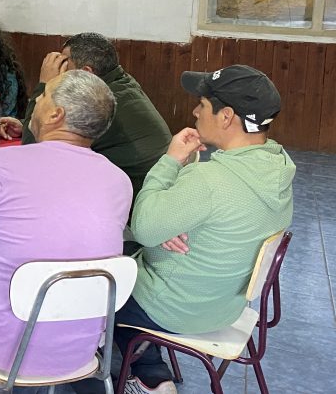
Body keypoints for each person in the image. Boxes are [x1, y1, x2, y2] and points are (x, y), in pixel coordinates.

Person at [0, 70, 131, 392]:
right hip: (80, 353)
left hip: (2, 348)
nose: (37, 100)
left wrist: (7, 276)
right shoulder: (120, 181)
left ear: (57, 114)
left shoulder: (0, 164)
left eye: (43, 95)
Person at [109, 66, 293, 394]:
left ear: (225, 116)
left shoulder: (209, 182)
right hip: (224, 304)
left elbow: (143, 228)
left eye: (203, 103)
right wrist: (169, 220)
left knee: (100, 277)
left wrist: (170, 161)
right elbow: (211, 211)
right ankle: (152, 371)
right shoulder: (276, 168)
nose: (195, 110)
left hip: (176, 308)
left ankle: (139, 373)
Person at [1, 33, 171, 198]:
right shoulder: (121, 84)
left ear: (86, 73)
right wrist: (25, 124)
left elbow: (35, 151)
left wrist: (46, 84)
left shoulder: (100, 103)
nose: (60, 71)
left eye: (64, 65)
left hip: (134, 208)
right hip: (145, 191)